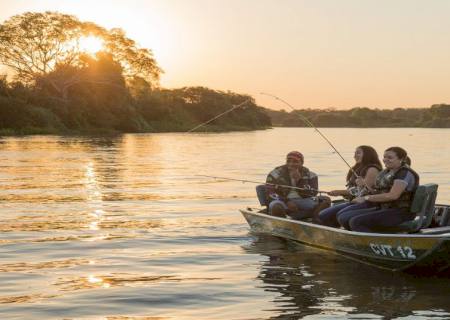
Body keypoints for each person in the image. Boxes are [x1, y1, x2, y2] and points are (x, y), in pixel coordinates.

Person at [343, 147, 419, 233]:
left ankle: (372, 242)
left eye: (390, 157)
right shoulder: (388, 172)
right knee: (345, 217)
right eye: (384, 157)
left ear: (401, 159)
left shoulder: (404, 173)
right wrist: (364, 186)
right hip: (385, 208)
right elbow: (378, 192)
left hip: (401, 212)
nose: (385, 160)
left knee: (356, 221)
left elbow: (393, 196)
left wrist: (366, 198)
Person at [318, 145, 382, 228]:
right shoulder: (357, 168)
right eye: (355, 153)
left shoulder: (372, 169)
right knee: (323, 214)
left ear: (368, 154)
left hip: (366, 202)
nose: (355, 156)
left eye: (358, 153)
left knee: (326, 215)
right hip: (353, 200)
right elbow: (354, 190)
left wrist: (340, 192)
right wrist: (342, 193)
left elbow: (366, 191)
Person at [256, 151, 325, 220]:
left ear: (302, 163)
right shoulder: (275, 173)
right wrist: (287, 201)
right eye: (288, 161)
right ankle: (284, 224)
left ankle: (316, 221)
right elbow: (270, 193)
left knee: (325, 200)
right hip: (282, 201)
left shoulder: (311, 175)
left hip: (303, 200)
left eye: (295, 162)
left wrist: (300, 180)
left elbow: (313, 193)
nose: (291, 164)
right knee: (276, 207)